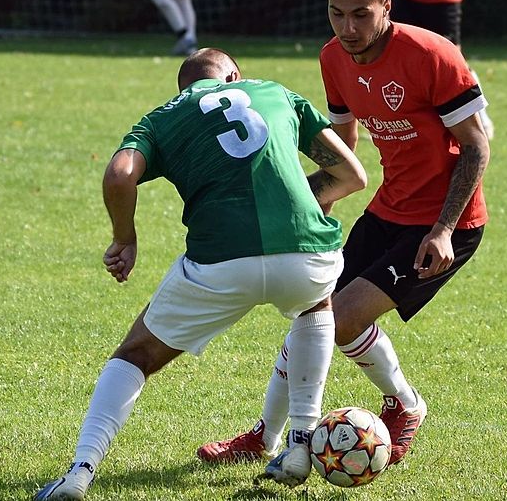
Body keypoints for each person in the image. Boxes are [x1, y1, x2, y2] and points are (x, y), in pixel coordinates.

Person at [33, 48, 368, 499]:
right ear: (235, 76)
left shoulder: (163, 119)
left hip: (221, 261)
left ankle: (80, 472)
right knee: (315, 304)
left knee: (135, 355)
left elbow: (118, 175)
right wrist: (291, 206)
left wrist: (125, 238)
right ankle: (301, 441)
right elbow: (351, 175)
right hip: (305, 253)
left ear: (184, 89)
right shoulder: (275, 92)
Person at [198, 0, 491, 472]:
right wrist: (319, 213)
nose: (348, 28)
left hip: (448, 223)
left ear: (387, 6)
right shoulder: (333, 57)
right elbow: (343, 142)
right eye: (337, 13)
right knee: (312, 311)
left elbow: (476, 146)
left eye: (361, 14)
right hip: (388, 209)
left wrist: (444, 229)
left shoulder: (432, 54)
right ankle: (264, 437)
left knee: (343, 317)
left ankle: (405, 405)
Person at [386, 0, 495, 138]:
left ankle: (481, 119)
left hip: (444, 0)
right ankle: (401, 123)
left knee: (455, 63)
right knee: (400, 59)